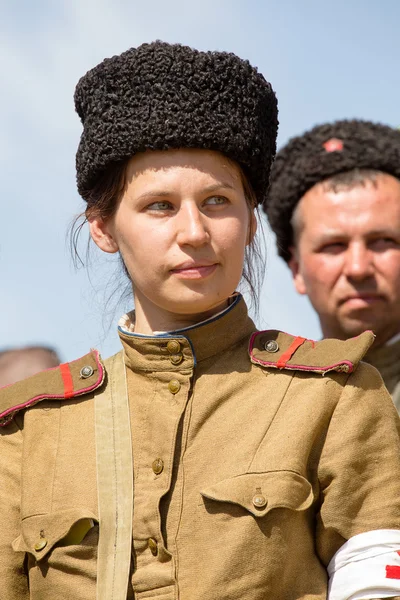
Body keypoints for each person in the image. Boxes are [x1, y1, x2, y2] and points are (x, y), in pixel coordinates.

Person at [1, 43, 400, 600]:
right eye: (159, 206)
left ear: (250, 219)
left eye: (217, 201)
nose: (194, 231)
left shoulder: (334, 398)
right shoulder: (29, 429)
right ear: (103, 227)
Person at [265, 120, 400, 411]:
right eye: (333, 246)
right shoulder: (269, 406)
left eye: (382, 241)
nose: (358, 268)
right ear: (296, 270)